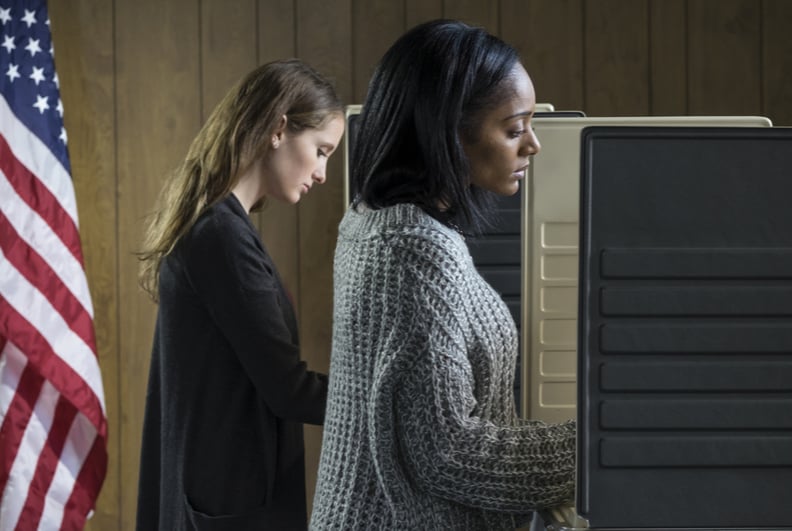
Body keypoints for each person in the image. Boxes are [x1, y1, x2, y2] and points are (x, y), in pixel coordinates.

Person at [310, 20, 575, 530]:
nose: (533, 145)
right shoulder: (413, 249)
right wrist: (593, 449)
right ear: (451, 132)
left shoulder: (374, 220)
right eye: (515, 128)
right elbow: (448, 450)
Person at [135, 59, 344, 531]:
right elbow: (288, 390)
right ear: (278, 129)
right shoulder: (221, 237)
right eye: (321, 150)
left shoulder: (221, 226)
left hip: (221, 494)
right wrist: (389, 406)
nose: (324, 173)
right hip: (228, 504)